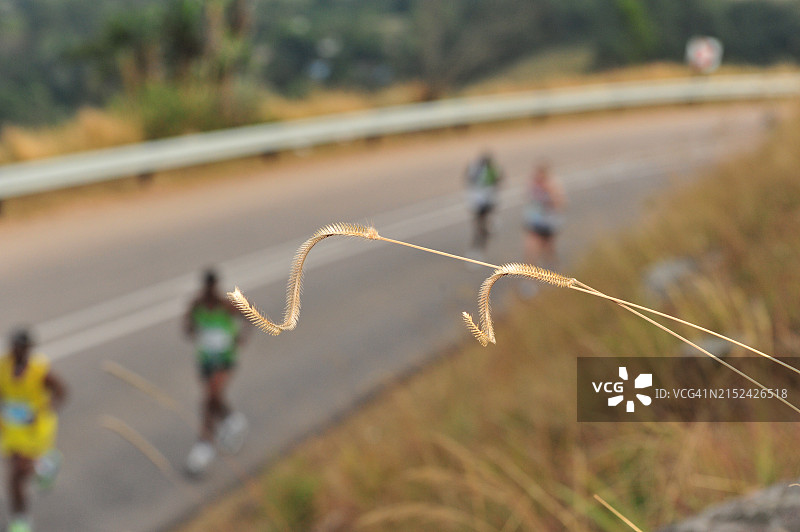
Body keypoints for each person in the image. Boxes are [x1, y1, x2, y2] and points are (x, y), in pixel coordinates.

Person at [183, 269, 250, 476]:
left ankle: (204, 445)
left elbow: (250, 316)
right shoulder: (197, 305)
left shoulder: (225, 304)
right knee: (213, 397)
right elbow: (187, 327)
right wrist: (195, 331)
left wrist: (240, 338)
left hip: (224, 357)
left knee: (209, 397)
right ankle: (232, 421)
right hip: (206, 359)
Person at [0, 329, 67, 532]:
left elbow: (61, 391)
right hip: (11, 430)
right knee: (17, 471)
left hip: (35, 430)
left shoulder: (40, 370)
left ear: (28, 349)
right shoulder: (3, 367)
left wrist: (48, 408)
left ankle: (20, 520)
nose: (17, 351)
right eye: (14, 346)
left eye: (22, 347)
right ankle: (46, 465)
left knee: (17, 473)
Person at [523, 162, 565, 293]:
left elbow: (561, 204)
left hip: (549, 225)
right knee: (531, 253)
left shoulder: (554, 184)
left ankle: (556, 276)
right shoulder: (532, 184)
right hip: (534, 224)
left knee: (549, 253)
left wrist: (551, 193)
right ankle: (529, 283)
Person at [465, 151, 503, 260]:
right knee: (479, 226)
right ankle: (477, 249)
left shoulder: (492, 169)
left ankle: (477, 249)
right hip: (478, 201)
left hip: (487, 200)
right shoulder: (475, 168)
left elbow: (499, 179)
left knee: (481, 226)